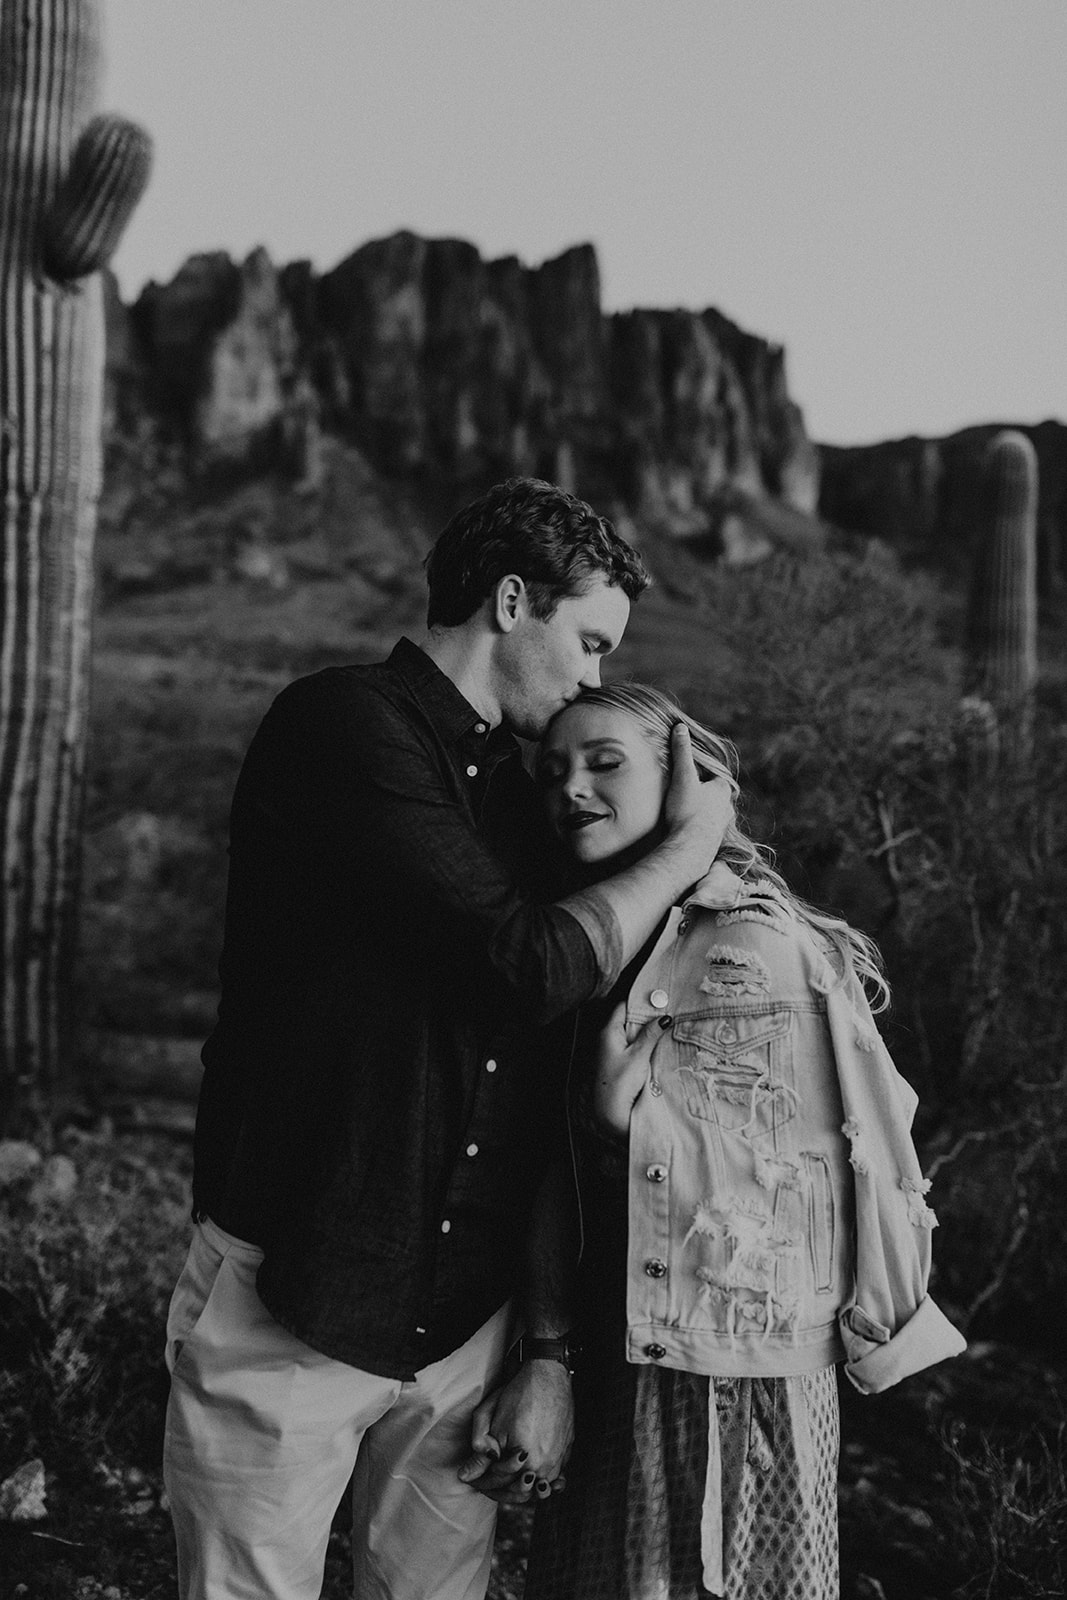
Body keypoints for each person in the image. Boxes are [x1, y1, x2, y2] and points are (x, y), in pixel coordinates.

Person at [161, 479, 732, 1600]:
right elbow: (522, 964)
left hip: (466, 1323)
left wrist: (546, 1353)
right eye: (588, 641)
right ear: (511, 600)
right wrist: (687, 844)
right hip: (300, 1284)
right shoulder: (344, 724)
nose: (593, 680)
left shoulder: (535, 794)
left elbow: (557, 1083)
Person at [512, 681, 966, 1600]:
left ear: (690, 783)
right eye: (553, 771)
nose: (570, 789)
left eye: (606, 764)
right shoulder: (594, 933)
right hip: (633, 1345)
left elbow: (776, 1191)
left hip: (723, 1369)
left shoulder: (744, 946)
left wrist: (616, 1121)